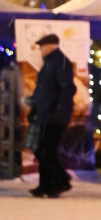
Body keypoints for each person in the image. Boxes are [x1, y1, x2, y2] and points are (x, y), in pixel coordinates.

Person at [28, 33, 76, 197]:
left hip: (54, 115)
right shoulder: (51, 62)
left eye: (41, 46)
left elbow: (68, 87)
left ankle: (59, 181)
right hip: (46, 114)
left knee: (46, 149)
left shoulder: (59, 62)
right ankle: (47, 184)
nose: (40, 50)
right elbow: (43, 90)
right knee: (43, 150)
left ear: (49, 46)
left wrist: (60, 109)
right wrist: (35, 109)